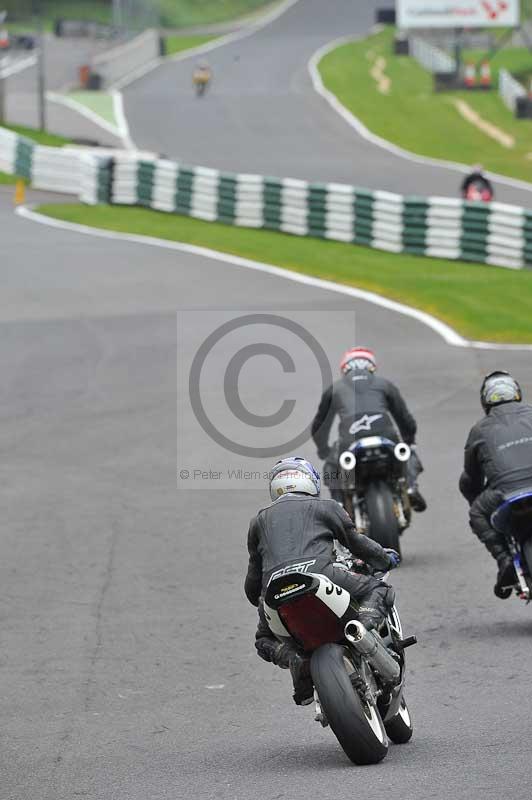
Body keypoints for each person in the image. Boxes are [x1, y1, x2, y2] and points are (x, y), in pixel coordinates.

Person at [245, 456, 400, 705]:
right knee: (379, 588)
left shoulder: (258, 521)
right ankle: (361, 630)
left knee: (263, 641)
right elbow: (357, 544)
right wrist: (384, 559)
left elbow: (252, 585)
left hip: (274, 594)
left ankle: (295, 660)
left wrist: (262, 600)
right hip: (322, 576)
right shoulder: (326, 507)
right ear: (310, 481)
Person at [311, 346, 426, 511]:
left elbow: (319, 427)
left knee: (331, 466)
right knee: (409, 452)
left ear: (345, 368)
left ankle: (339, 506)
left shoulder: (334, 388)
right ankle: (411, 487)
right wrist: (409, 440)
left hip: (351, 438)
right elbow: (405, 419)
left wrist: (323, 450)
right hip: (385, 433)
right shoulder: (385, 384)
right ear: (371, 366)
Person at [459, 370, 532, 598]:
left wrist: (477, 496)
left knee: (477, 513)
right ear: (517, 394)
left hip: (505, 492)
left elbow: (471, 477)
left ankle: (504, 559)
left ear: (485, 400)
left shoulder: (478, 430)